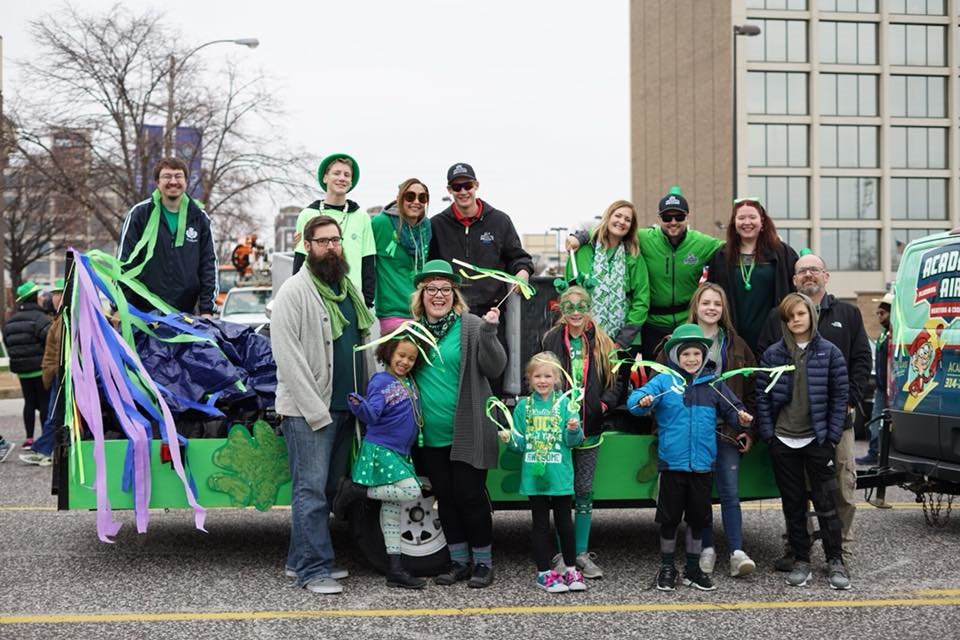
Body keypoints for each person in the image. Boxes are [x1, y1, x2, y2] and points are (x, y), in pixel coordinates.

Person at [272, 214, 375, 595]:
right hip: (309, 412)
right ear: (307, 245)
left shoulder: (348, 290)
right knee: (310, 491)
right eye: (322, 241)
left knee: (328, 489)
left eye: (336, 240)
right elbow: (289, 358)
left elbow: (363, 344)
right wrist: (315, 411)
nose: (331, 247)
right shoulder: (294, 293)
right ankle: (314, 570)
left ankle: (298, 560)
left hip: (346, 408)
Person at [757, 252, 871, 567]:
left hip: (836, 423)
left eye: (814, 270)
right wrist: (769, 428)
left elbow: (861, 359)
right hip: (790, 426)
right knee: (797, 494)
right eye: (802, 271)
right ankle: (798, 549)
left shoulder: (847, 314)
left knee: (842, 490)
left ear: (826, 276)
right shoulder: (776, 317)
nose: (809, 275)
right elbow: (762, 364)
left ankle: (841, 550)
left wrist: (850, 400)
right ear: (794, 279)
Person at [628, 323, 753, 592]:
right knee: (669, 519)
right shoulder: (664, 381)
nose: (692, 359)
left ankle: (693, 569)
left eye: (697, 354)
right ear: (676, 356)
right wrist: (643, 401)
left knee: (699, 519)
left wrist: (742, 418)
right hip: (672, 464)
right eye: (686, 355)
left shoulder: (714, 384)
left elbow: (734, 410)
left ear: (704, 356)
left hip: (702, 465)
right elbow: (634, 402)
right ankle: (667, 566)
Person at [409, 259, 506, 588]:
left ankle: (483, 563)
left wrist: (490, 332)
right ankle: (459, 561)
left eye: (445, 289)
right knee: (446, 499)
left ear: (454, 294)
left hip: (468, 429)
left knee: (470, 496)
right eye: (431, 289)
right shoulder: (413, 331)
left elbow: (495, 367)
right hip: (431, 435)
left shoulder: (471, 326)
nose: (439, 295)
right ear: (421, 295)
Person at [658, 283, 758, 578]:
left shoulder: (738, 345)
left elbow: (751, 389)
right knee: (699, 499)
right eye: (706, 303)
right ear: (696, 307)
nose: (711, 308)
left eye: (717, 303)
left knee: (729, 492)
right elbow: (660, 387)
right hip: (689, 433)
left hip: (726, 431)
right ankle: (707, 550)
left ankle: (737, 552)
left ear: (723, 309)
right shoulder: (675, 341)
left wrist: (748, 427)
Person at [755, 293, 851, 590]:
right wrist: (770, 436)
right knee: (793, 504)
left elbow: (839, 397)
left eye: (800, 314)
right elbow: (762, 397)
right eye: (789, 316)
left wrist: (832, 436)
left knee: (826, 502)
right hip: (784, 440)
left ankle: (835, 559)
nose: (795, 320)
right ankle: (801, 559)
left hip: (818, 439)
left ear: (811, 315)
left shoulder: (830, 352)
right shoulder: (773, 354)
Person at [427, 163, 533, 395]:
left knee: (492, 369)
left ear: (477, 186)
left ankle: (492, 424)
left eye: (467, 185)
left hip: (491, 312)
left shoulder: (500, 221)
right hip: (452, 313)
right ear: (449, 190)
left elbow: (519, 258)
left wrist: (522, 273)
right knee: (453, 371)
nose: (463, 191)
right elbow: (428, 266)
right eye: (457, 187)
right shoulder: (436, 224)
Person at [333, 334, 427, 589]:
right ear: (388, 354)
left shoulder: (407, 381)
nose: (405, 361)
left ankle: (395, 569)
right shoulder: (381, 381)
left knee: (392, 512)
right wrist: (359, 405)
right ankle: (355, 490)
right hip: (382, 450)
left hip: (399, 452)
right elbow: (372, 414)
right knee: (411, 490)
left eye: (411, 358)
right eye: (401, 356)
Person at [540, 286, 621, 578]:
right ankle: (565, 555)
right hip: (560, 430)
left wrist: (602, 405)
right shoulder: (551, 339)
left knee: (584, 491)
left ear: (589, 308)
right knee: (562, 492)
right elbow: (541, 375)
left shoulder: (602, 341)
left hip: (590, 427)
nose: (575, 312)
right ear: (561, 309)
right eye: (569, 306)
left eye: (581, 306)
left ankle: (582, 553)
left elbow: (616, 380)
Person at [501, 352, 585, 593]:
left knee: (565, 524)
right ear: (529, 378)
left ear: (557, 378)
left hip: (560, 473)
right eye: (537, 376)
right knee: (539, 525)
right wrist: (509, 439)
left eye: (548, 375)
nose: (543, 380)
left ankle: (570, 569)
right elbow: (519, 444)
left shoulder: (566, 404)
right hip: (534, 476)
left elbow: (574, 442)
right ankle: (543, 573)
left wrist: (573, 428)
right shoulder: (523, 406)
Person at [117, 157, 218, 316]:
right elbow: (124, 263)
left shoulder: (199, 218)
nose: (173, 181)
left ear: (186, 181)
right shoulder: (140, 214)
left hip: (186, 316)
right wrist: (120, 307)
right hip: (143, 315)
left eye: (178, 176)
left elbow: (208, 267)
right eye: (167, 176)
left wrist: (207, 310)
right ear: (157, 182)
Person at [707, 198, 798, 355]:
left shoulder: (782, 253)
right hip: (733, 338)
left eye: (752, 217)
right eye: (741, 218)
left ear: (762, 222)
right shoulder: (721, 256)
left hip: (774, 336)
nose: (747, 222)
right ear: (734, 223)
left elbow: (796, 293)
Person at [293, 153, 375, 307]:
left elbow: (368, 261)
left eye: (346, 175)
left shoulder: (361, 216)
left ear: (351, 182)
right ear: (325, 178)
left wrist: (367, 301)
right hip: (316, 298)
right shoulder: (307, 215)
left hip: (352, 299)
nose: (342, 178)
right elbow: (300, 260)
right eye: (336, 173)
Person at [565, 200, 649, 349]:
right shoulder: (582, 251)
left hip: (623, 341)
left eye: (627, 219)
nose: (622, 222)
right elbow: (569, 291)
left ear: (631, 226)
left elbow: (641, 300)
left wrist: (622, 340)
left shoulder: (633, 256)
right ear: (608, 217)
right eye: (618, 216)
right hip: (585, 336)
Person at [371, 179, 432, 333]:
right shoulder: (381, 223)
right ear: (399, 198)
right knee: (401, 357)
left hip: (423, 311)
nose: (416, 202)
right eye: (410, 196)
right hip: (393, 311)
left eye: (422, 198)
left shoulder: (426, 227)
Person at [19, 279, 67, 466]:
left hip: (51, 373)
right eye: (54, 294)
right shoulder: (50, 319)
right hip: (48, 373)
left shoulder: (63, 320)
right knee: (51, 413)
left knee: (51, 413)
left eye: (59, 293)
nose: (55, 298)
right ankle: (43, 448)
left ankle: (41, 448)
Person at [2, 281, 52, 451]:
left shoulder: (11, 322)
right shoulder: (41, 319)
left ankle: (29, 437)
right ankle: (46, 435)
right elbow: (50, 341)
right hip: (40, 369)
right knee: (45, 403)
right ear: (35, 298)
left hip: (22, 371)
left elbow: (8, 343)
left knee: (29, 402)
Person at [857, 293, 893, 466]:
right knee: (876, 420)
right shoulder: (883, 335)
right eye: (878, 313)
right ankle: (874, 452)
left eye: (882, 313)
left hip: (890, 387)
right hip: (880, 386)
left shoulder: (894, 335)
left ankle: (884, 454)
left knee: (887, 423)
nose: (879, 317)